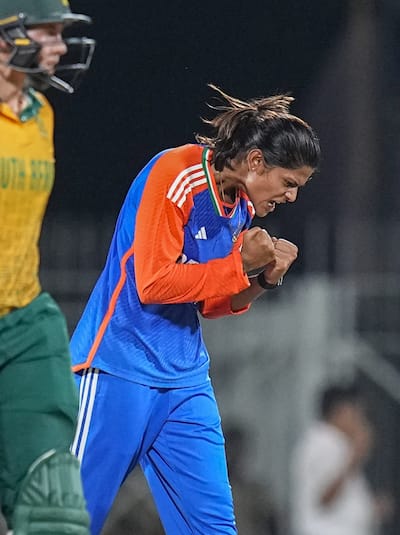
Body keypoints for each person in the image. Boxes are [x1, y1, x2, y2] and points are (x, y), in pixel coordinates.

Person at [70, 84, 321, 535]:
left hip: (184, 383)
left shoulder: (239, 207)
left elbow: (210, 303)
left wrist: (263, 280)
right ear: (256, 162)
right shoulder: (176, 173)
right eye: (289, 184)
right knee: (69, 520)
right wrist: (239, 263)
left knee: (214, 529)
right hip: (118, 369)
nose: (292, 197)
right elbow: (153, 282)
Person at [0, 1, 95, 533]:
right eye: (49, 32)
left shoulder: (40, 115)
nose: (60, 46)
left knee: (51, 503)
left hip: (24, 322)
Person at [290, 382, 393, 535]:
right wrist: (355, 456)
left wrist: (369, 509)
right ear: (340, 412)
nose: (360, 420)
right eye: (355, 413)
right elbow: (325, 499)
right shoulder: (324, 441)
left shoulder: (335, 443)